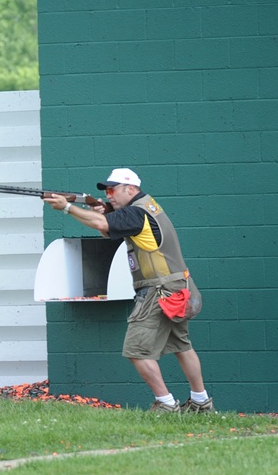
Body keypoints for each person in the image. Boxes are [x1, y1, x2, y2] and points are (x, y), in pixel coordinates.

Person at [42, 168, 213, 413]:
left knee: (137, 351)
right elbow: (107, 230)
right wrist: (99, 211)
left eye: (113, 190)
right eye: (107, 191)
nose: (109, 195)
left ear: (130, 189)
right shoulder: (146, 207)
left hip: (159, 289)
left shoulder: (135, 213)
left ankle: (166, 405)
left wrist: (67, 208)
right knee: (182, 346)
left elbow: (102, 223)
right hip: (176, 285)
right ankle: (201, 402)